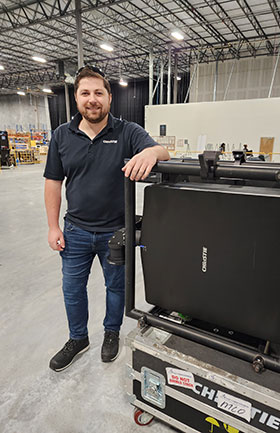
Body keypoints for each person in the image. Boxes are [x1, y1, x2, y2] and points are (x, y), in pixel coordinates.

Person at [44, 66, 170, 372]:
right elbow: (52, 182)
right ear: (76, 99)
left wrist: (150, 154)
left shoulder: (127, 131)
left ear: (110, 98)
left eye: (98, 93)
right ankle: (78, 339)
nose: (92, 99)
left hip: (116, 231)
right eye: (85, 93)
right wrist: (52, 226)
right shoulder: (62, 135)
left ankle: (111, 333)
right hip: (74, 230)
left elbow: (163, 151)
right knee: (72, 289)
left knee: (116, 289)